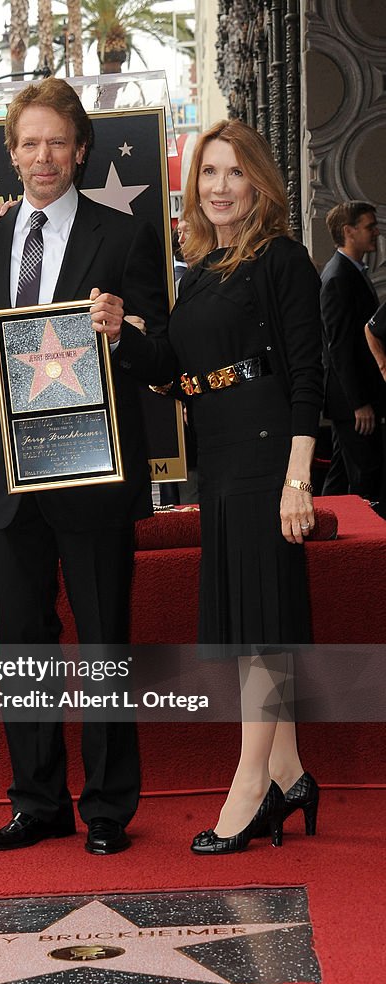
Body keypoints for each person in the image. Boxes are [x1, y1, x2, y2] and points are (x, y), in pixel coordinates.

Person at [0, 77, 169, 856]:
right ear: (10, 153)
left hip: (93, 475)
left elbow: (162, 355)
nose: (42, 156)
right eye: (28, 142)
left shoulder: (123, 236)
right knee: (22, 643)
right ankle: (37, 801)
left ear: (78, 149)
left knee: (104, 639)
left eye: (56, 141)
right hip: (10, 482)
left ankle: (108, 808)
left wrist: (121, 335)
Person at [163, 119, 324, 854]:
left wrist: (297, 481)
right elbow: (168, 369)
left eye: (232, 172)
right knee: (250, 625)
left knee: (261, 632)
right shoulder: (196, 269)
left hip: (266, 458)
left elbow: (306, 378)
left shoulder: (281, 260)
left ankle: (251, 785)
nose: (218, 187)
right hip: (220, 459)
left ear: (258, 182)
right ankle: (290, 773)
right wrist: (119, 331)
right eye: (207, 173)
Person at [320, 201, 382, 502]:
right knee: (365, 476)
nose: (377, 232)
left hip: (350, 401)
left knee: (342, 473)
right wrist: (359, 404)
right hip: (352, 404)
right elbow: (339, 348)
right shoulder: (338, 278)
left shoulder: (349, 272)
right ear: (348, 231)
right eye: (370, 226)